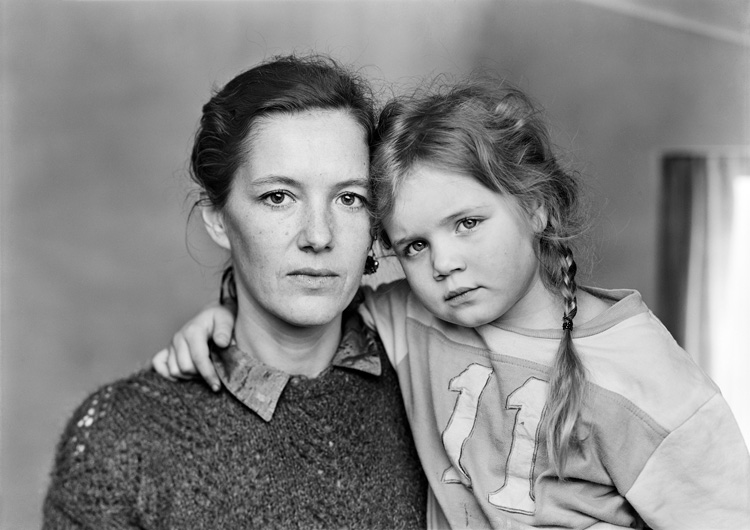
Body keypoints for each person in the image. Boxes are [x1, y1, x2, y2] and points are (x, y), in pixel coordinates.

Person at [154, 77, 750, 530]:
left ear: (536, 206)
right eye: (414, 244)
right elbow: (298, 306)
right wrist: (225, 313)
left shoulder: (648, 382)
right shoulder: (412, 318)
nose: (443, 263)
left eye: (466, 223)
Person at [42, 54, 428, 529]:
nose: (319, 236)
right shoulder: (124, 439)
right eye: (278, 197)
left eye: (349, 198)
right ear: (218, 219)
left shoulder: (441, 386)